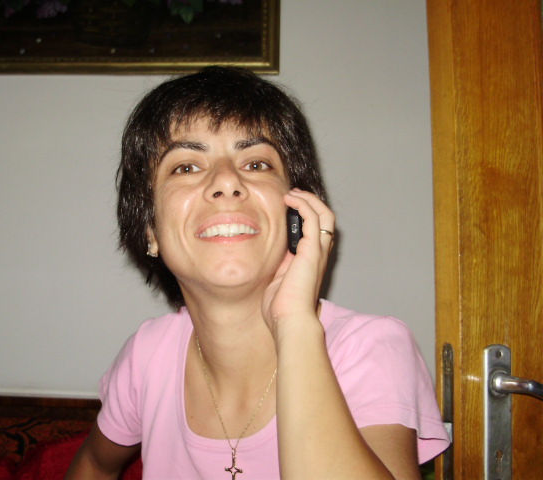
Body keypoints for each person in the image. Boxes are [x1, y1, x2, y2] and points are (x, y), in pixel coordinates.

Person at [66, 66, 450, 480]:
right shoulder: (147, 355)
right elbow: (93, 465)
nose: (227, 181)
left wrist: (294, 322)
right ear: (150, 231)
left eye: (256, 163)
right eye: (186, 167)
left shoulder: (370, 348)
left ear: (297, 213)